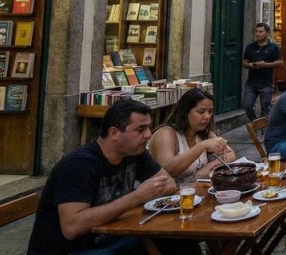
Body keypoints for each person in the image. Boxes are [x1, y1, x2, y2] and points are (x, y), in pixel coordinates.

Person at [28, 99, 177, 255]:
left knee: (175, 243)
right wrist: (136, 197)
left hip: (113, 238)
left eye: (148, 128)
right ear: (114, 133)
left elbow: (169, 185)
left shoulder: (134, 152)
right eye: (140, 129)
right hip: (72, 250)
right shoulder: (79, 165)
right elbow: (72, 228)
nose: (148, 135)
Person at [148, 88, 236, 186]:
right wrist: (202, 146)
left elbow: (230, 154)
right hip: (169, 196)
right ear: (186, 112)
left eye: (210, 111)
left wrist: (209, 167)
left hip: (195, 190)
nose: (207, 116)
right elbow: (167, 170)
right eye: (201, 112)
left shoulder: (204, 132)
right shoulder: (166, 133)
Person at [241, 22, 283, 121]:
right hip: (251, 83)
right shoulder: (250, 47)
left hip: (266, 83)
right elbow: (244, 62)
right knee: (247, 105)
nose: (258, 34)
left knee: (265, 109)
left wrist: (265, 65)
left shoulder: (273, 47)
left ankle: (264, 129)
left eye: (260, 31)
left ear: (267, 33)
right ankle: (255, 123)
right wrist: (250, 65)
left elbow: (280, 63)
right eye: (256, 31)